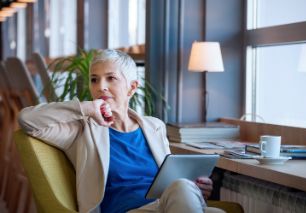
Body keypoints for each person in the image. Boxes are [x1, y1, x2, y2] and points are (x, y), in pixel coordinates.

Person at [18, 49, 224, 213]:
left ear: (132, 87)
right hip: (126, 210)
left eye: (111, 78)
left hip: (164, 206)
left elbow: (170, 183)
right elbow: (27, 120)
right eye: (94, 79)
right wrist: (87, 108)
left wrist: (196, 189)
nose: (101, 87)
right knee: (182, 189)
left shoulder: (154, 127)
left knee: (188, 192)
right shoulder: (81, 130)